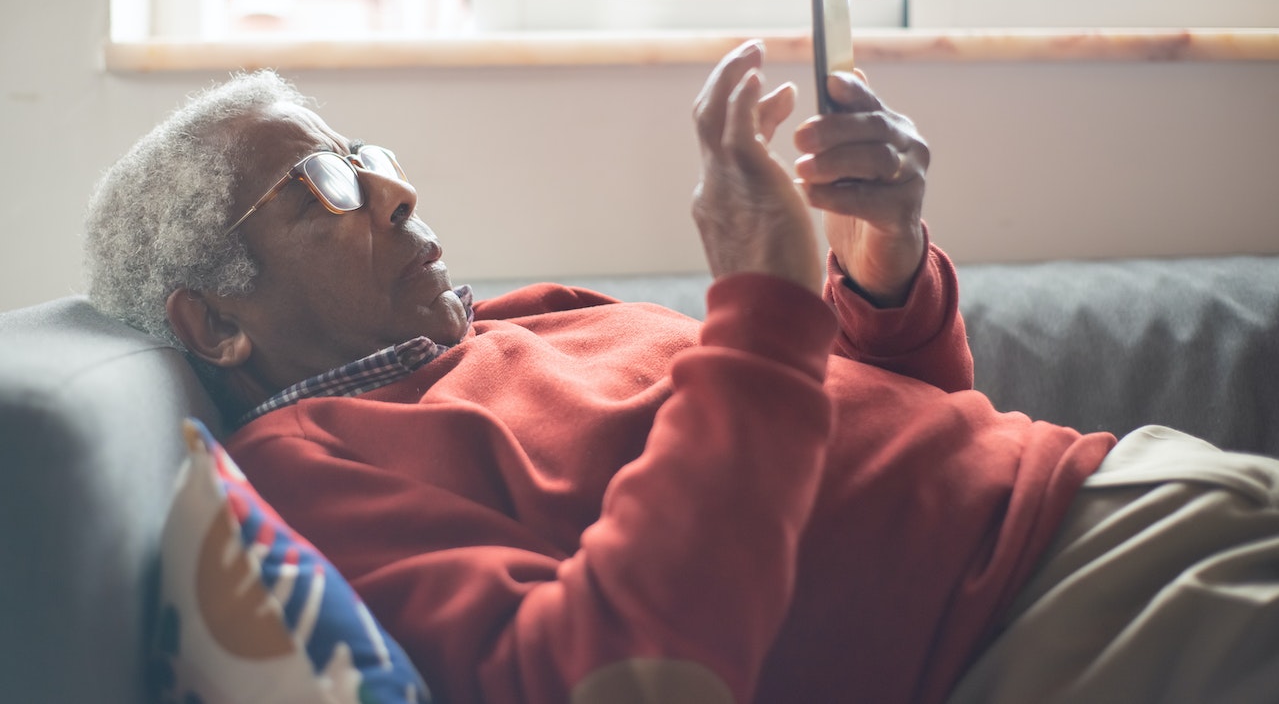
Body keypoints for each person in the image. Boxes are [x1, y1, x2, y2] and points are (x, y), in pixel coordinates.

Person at [84, 42, 1279, 704]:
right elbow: (612, 676)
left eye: (367, 158)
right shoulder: (315, 472)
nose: (395, 190)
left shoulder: (527, 315)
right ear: (216, 321)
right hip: (1065, 621)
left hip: (1127, 487)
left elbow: (877, 426)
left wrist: (879, 270)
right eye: (323, 191)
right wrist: (759, 304)